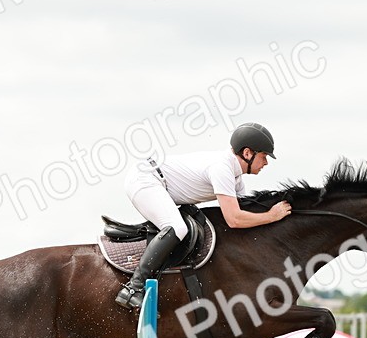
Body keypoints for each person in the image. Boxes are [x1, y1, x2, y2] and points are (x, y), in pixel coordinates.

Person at [114, 122, 293, 309]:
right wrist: (272, 216)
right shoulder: (222, 168)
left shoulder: (236, 178)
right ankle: (133, 287)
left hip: (159, 183)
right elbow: (234, 219)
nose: (266, 162)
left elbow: (246, 215)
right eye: (264, 156)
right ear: (247, 153)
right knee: (177, 228)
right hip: (144, 179)